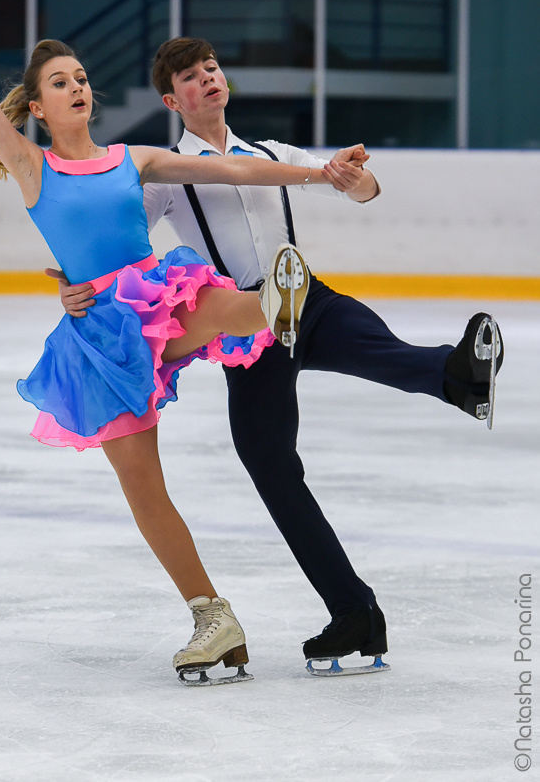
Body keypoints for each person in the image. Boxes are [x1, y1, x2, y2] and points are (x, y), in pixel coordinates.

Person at [0, 0, 373, 685]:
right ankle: (213, 619)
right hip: (99, 341)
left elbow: (236, 165)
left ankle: (270, 303)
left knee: (203, 301)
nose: (77, 87)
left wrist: (317, 176)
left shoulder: (133, 160)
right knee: (144, 488)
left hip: (158, 304)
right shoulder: (31, 166)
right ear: (39, 105)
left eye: (81, 77)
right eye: (59, 81)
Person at [54, 36, 504, 675]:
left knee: (384, 351)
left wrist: (354, 175)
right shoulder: (167, 173)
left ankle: (461, 375)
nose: (207, 80)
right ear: (170, 99)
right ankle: (354, 611)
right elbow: (118, 237)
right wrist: (81, 286)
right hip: (250, 329)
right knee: (270, 466)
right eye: (191, 77)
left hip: (305, 300)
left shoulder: (271, 155)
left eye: (212, 68)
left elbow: (357, 188)